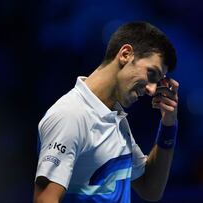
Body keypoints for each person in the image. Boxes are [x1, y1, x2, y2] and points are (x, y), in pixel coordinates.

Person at [34, 21, 179, 203]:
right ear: (125, 54)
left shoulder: (114, 118)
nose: (151, 90)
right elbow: (44, 200)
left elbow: (150, 189)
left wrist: (169, 124)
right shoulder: (70, 115)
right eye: (151, 73)